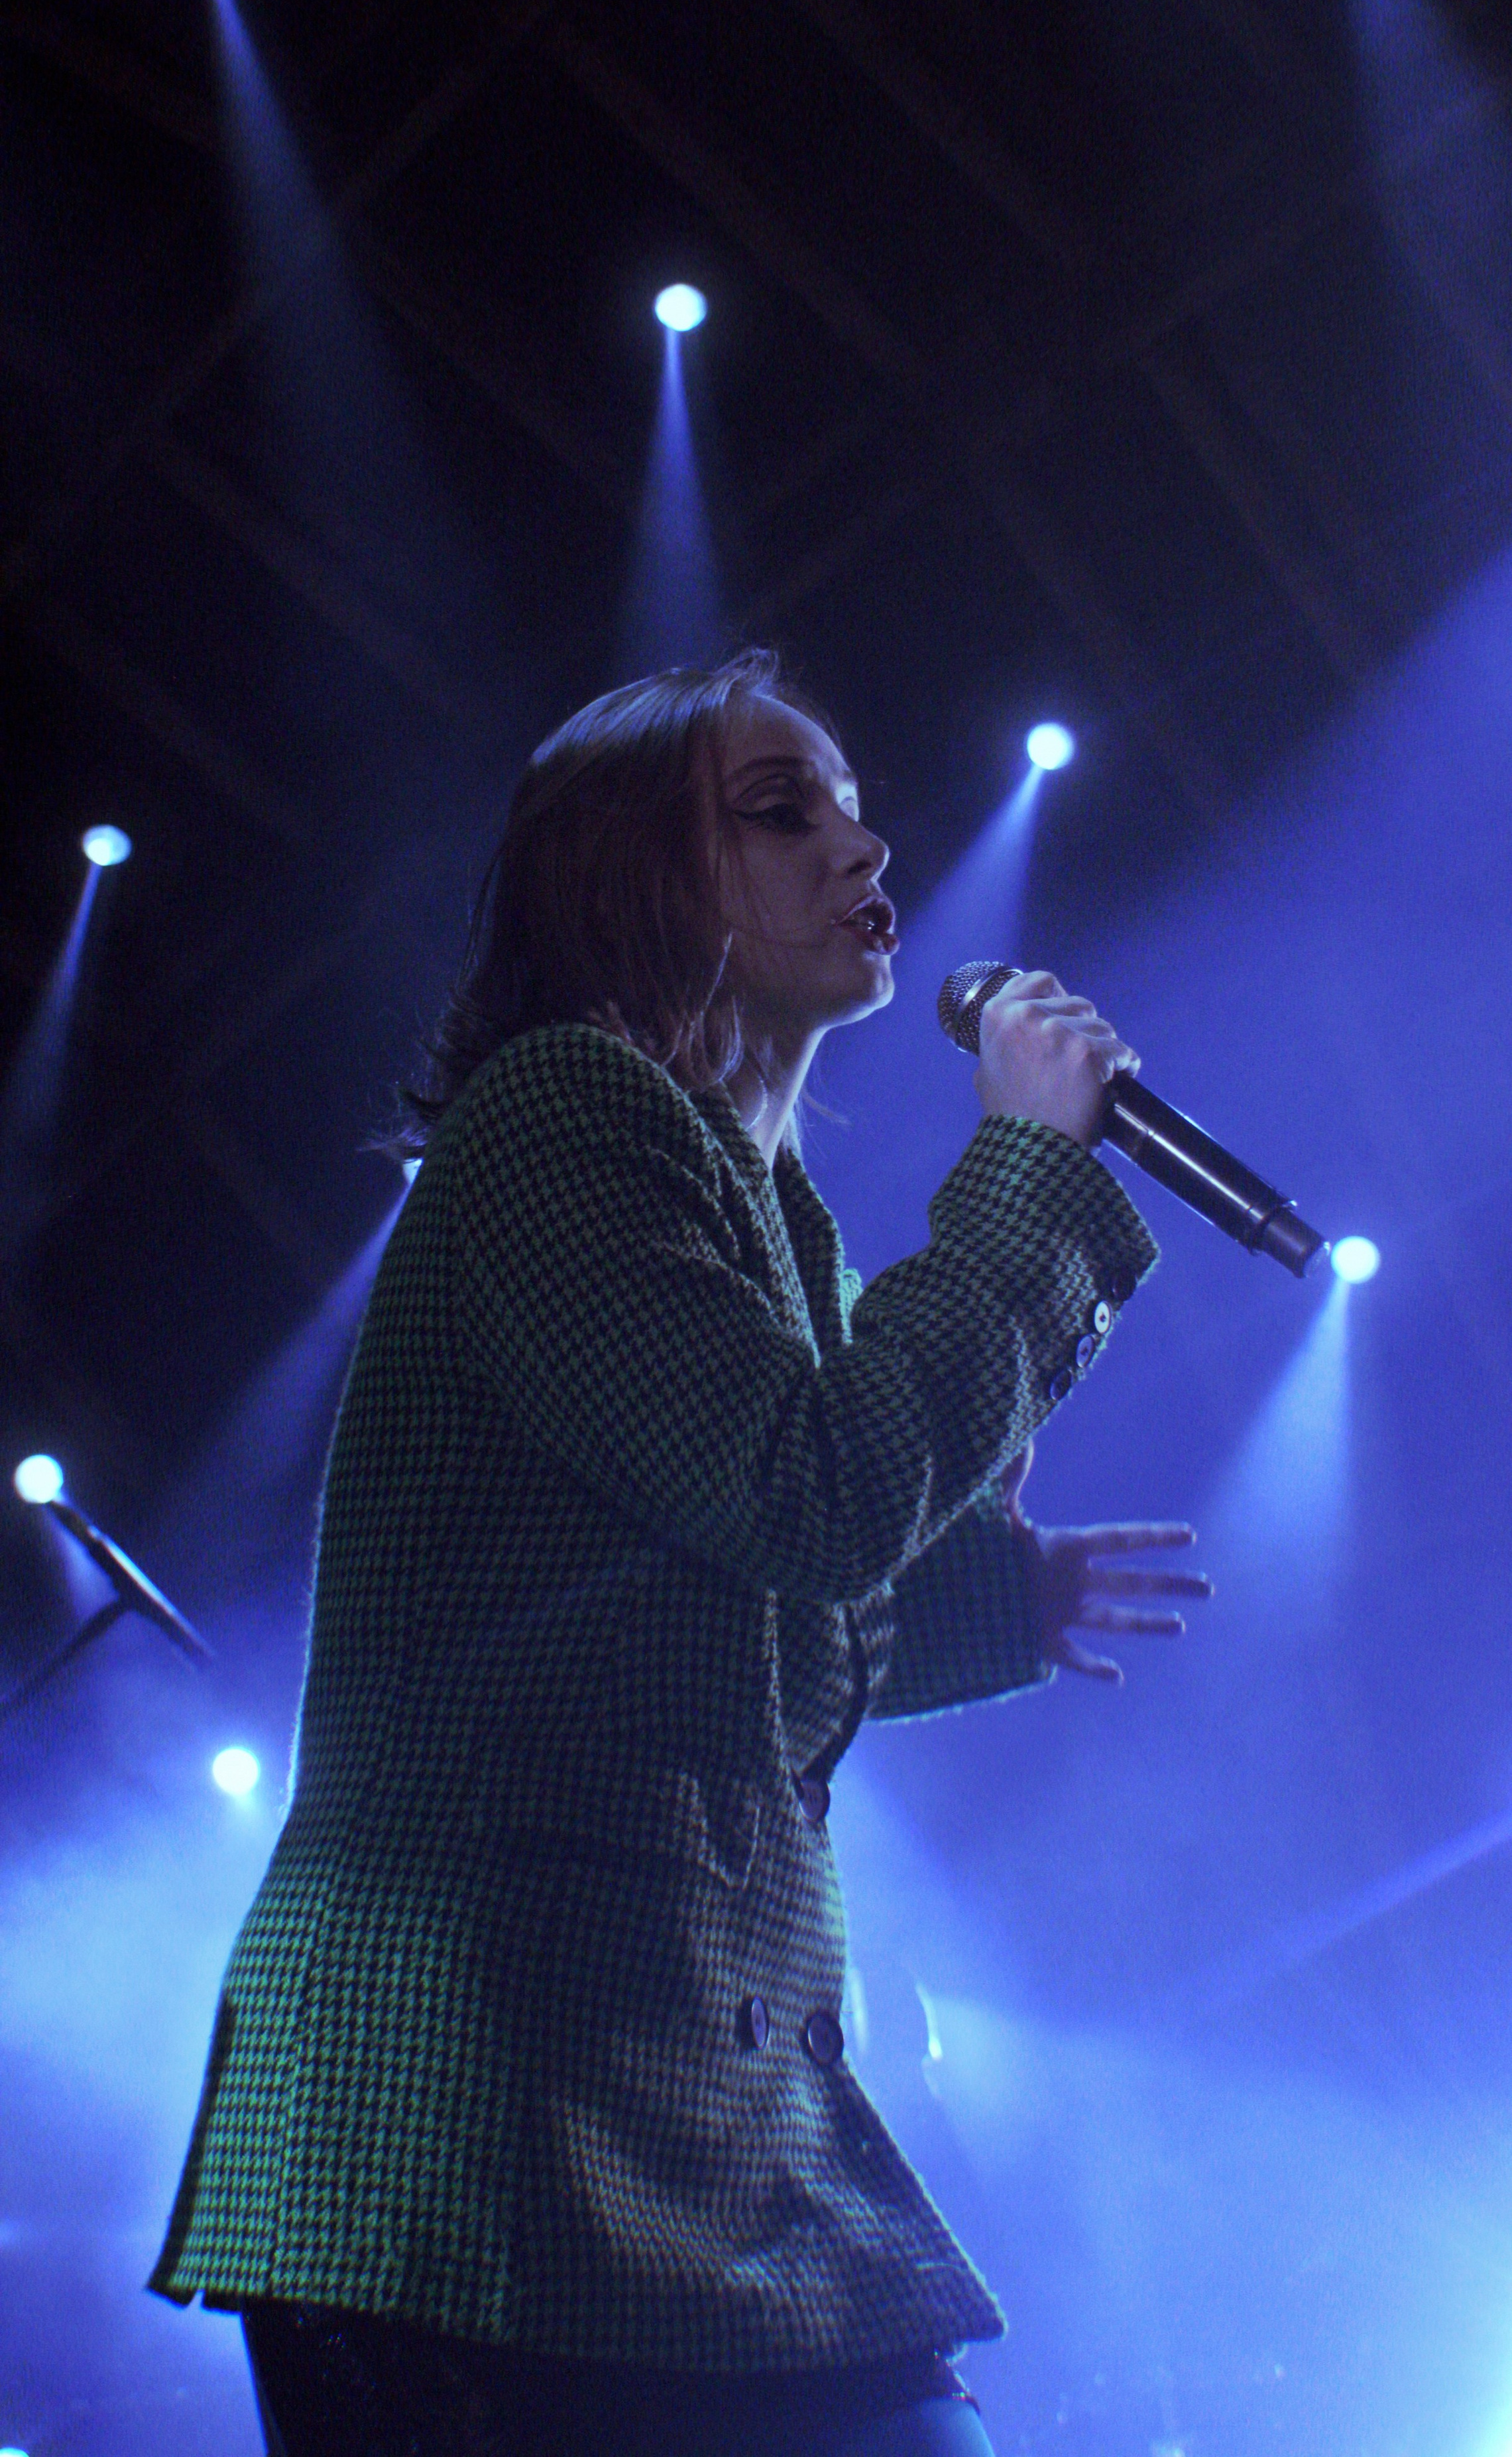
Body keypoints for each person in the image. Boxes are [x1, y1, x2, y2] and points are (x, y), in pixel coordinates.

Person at [148, 648, 1209, 2456]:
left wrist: (984, 1600)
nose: (858, 841)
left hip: (693, 2123)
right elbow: (806, 1498)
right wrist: (1029, 1169)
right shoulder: (561, 1113)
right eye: (780, 810)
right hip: (476, 2125)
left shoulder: (778, 1219)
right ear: (628, 881)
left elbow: (748, 1608)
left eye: (855, 803)